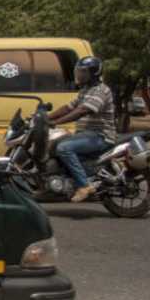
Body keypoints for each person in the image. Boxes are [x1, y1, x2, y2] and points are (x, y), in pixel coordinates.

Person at [48, 56, 116, 202]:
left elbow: (82, 111)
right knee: (53, 142)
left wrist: (56, 122)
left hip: (100, 136)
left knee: (64, 148)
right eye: (79, 71)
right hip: (86, 135)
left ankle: (84, 186)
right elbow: (69, 107)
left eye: (83, 72)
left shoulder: (101, 90)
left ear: (94, 73)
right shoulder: (86, 90)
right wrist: (47, 117)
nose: (80, 75)